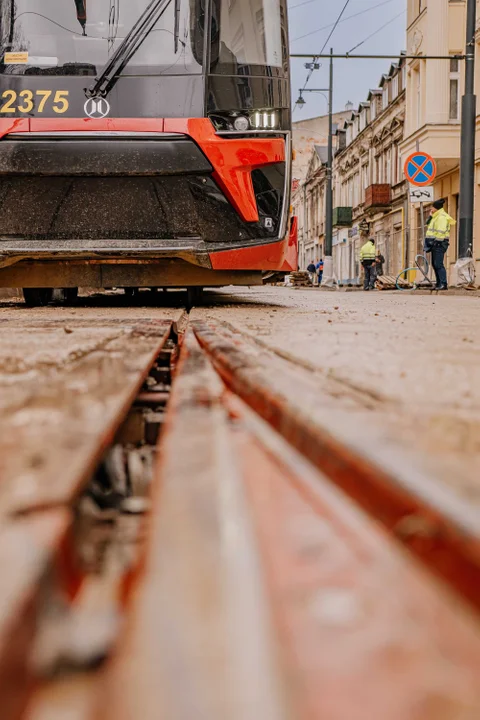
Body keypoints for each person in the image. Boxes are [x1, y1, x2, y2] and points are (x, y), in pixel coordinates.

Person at [424, 198, 456, 290]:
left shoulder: (441, 217)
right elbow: (427, 224)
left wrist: (436, 242)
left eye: (432, 207)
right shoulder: (436, 216)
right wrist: (430, 216)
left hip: (439, 243)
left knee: (438, 264)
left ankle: (443, 284)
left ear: (436, 208)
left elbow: (441, 232)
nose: (431, 209)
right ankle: (438, 284)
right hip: (435, 244)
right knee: (435, 264)